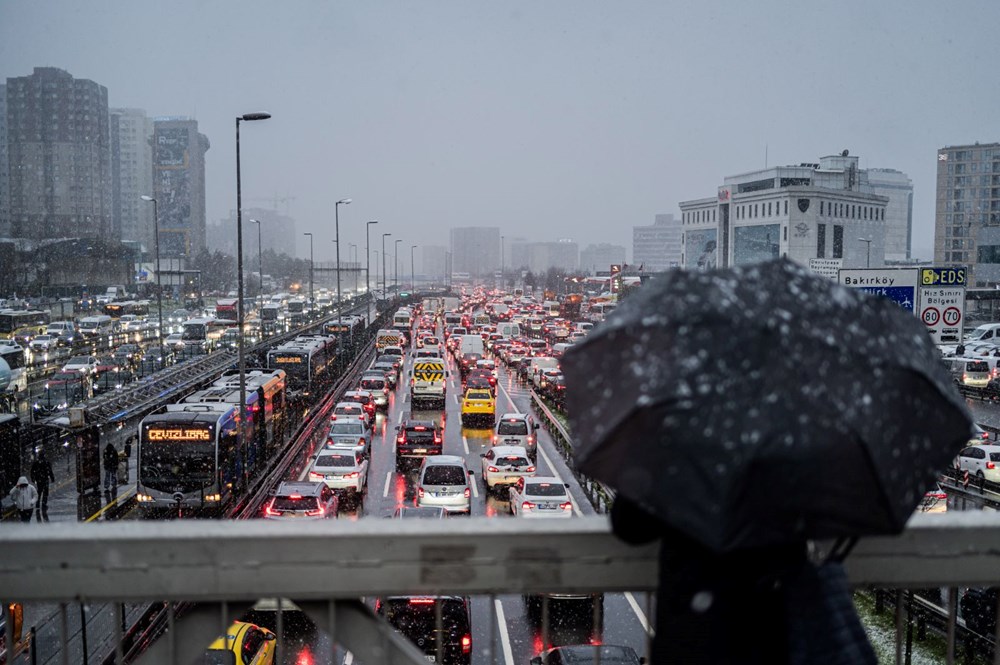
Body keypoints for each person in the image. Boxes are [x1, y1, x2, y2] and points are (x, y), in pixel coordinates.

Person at [30, 450, 55, 521]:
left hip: (39, 479)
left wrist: (33, 478)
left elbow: (32, 471)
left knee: (39, 491)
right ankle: (44, 504)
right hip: (45, 479)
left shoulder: (36, 463)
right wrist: (52, 477)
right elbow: (50, 470)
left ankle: (37, 504)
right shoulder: (46, 462)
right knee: (45, 492)